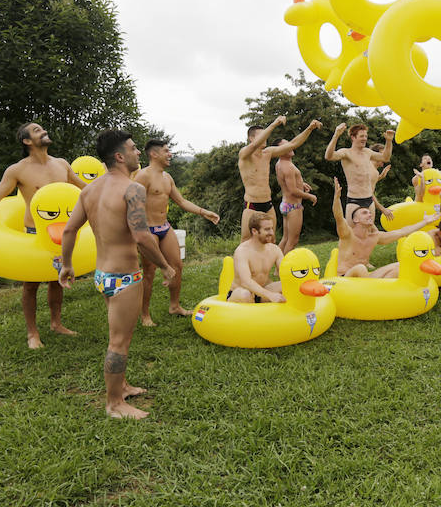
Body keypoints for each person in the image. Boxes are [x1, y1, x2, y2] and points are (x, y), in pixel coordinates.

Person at [58, 130, 177, 420]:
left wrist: (66, 264)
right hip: (125, 277)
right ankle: (114, 404)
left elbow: (69, 229)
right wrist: (164, 265)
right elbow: (141, 235)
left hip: (103, 276)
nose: (139, 153)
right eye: (134, 149)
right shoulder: (132, 189)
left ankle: (121, 386)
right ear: (120, 156)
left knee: (120, 336)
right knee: (119, 341)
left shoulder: (89, 190)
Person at [0, 122, 85, 349]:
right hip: (35, 233)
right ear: (27, 141)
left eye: (43, 129)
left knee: (57, 281)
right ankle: (32, 334)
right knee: (31, 284)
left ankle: (56, 323)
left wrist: (111, 192)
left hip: (63, 231)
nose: (43, 131)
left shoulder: (62, 164)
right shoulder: (18, 170)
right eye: (37, 130)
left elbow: (84, 188)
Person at [133, 139, 220, 326]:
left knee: (177, 266)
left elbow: (181, 202)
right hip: (148, 230)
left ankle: (175, 306)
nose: (170, 154)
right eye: (166, 151)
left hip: (165, 227)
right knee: (149, 272)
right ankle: (145, 315)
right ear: (154, 154)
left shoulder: (167, 178)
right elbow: (134, 208)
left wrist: (204, 212)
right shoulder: (143, 176)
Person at [332, 177, 439, 277]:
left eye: (369, 213)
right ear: (356, 220)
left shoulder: (375, 236)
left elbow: (402, 232)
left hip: (364, 279)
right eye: (364, 213)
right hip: (345, 277)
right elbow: (339, 217)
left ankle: (382, 293)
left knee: (399, 266)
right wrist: (337, 199)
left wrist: (424, 221)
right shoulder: (347, 234)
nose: (369, 214)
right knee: (360, 268)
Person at [238, 116, 322, 241]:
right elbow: (255, 144)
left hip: (268, 204)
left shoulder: (267, 153)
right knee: (246, 241)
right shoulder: (244, 154)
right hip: (252, 205)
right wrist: (273, 124)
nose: (265, 137)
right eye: (262, 135)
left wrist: (309, 128)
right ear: (251, 138)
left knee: (271, 240)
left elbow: (293, 144)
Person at [325, 123, 393, 223]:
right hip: (354, 201)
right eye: (361, 136)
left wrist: (389, 141)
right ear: (353, 137)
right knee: (353, 236)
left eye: (366, 136)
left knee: (369, 233)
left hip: (369, 200)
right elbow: (329, 156)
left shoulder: (368, 152)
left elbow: (385, 158)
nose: (364, 138)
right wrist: (336, 135)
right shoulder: (346, 153)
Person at [228, 213, 286, 303]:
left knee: (288, 286)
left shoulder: (275, 250)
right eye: (267, 229)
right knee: (245, 295)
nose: (271, 232)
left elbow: (286, 274)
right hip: (241, 292)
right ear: (254, 231)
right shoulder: (242, 251)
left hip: (261, 291)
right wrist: (270, 295)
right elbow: (245, 282)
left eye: (271, 228)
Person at [273, 138, 317, 255]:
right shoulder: (288, 166)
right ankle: (283, 269)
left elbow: (285, 183)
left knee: (285, 238)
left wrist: (301, 184)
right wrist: (309, 196)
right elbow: (292, 190)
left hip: (285, 204)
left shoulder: (280, 164)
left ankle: (278, 268)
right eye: (286, 146)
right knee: (293, 240)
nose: (290, 146)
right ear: (280, 151)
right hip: (293, 206)